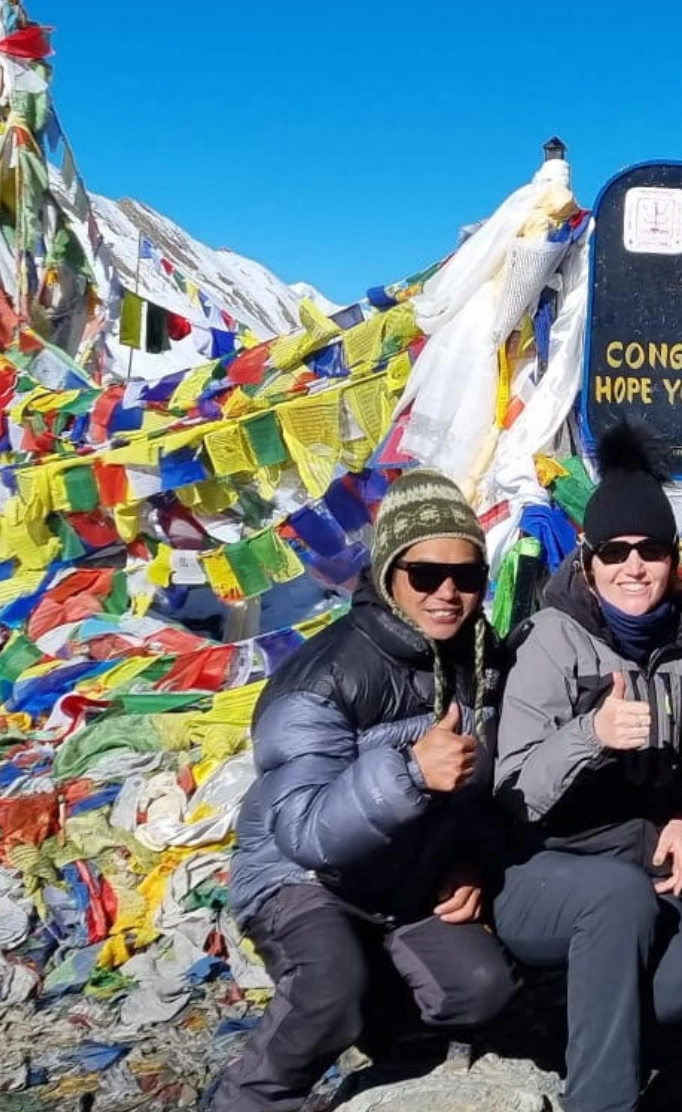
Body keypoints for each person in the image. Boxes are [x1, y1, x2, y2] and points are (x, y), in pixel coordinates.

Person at [206, 470, 517, 1112]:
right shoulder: (321, 678)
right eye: (426, 575)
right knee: (326, 990)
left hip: (405, 882)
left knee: (481, 988)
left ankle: (383, 1027)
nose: (448, 594)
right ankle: (245, 1100)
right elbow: (304, 831)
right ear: (388, 575)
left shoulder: (483, 660)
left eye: (468, 577)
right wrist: (407, 773)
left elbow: (490, 791)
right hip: (302, 879)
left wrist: (471, 864)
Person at [490, 424, 682, 1112]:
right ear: (589, 560)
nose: (633, 567)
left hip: (640, 864)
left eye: (651, 550)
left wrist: (681, 817)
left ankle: (583, 1005)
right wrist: (589, 735)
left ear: (673, 559)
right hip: (537, 870)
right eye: (615, 551)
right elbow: (513, 797)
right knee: (615, 898)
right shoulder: (549, 640)